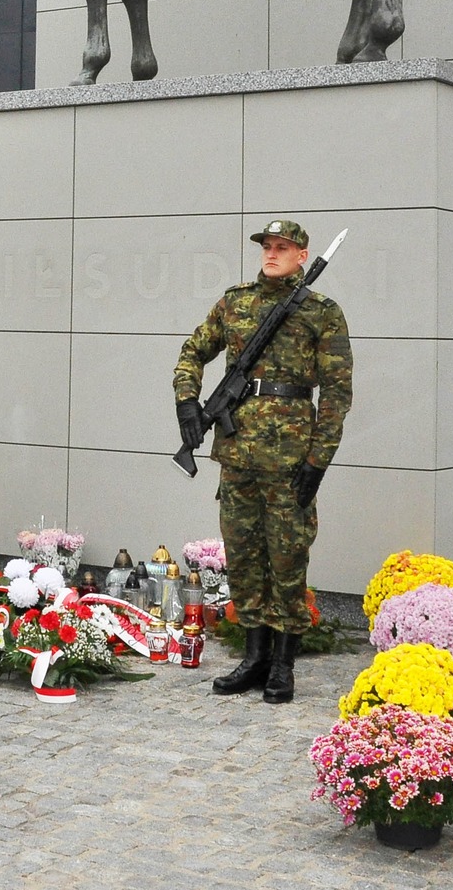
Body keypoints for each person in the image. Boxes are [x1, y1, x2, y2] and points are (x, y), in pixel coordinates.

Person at [172, 219, 351, 705]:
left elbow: (337, 393)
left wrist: (319, 458)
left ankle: (282, 665)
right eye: (267, 246)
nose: (272, 254)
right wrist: (187, 401)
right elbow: (193, 351)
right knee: (244, 557)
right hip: (237, 455)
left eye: (282, 247)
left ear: (302, 255)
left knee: (288, 559)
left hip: (291, 459)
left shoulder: (321, 312)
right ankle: (253, 658)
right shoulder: (235, 302)